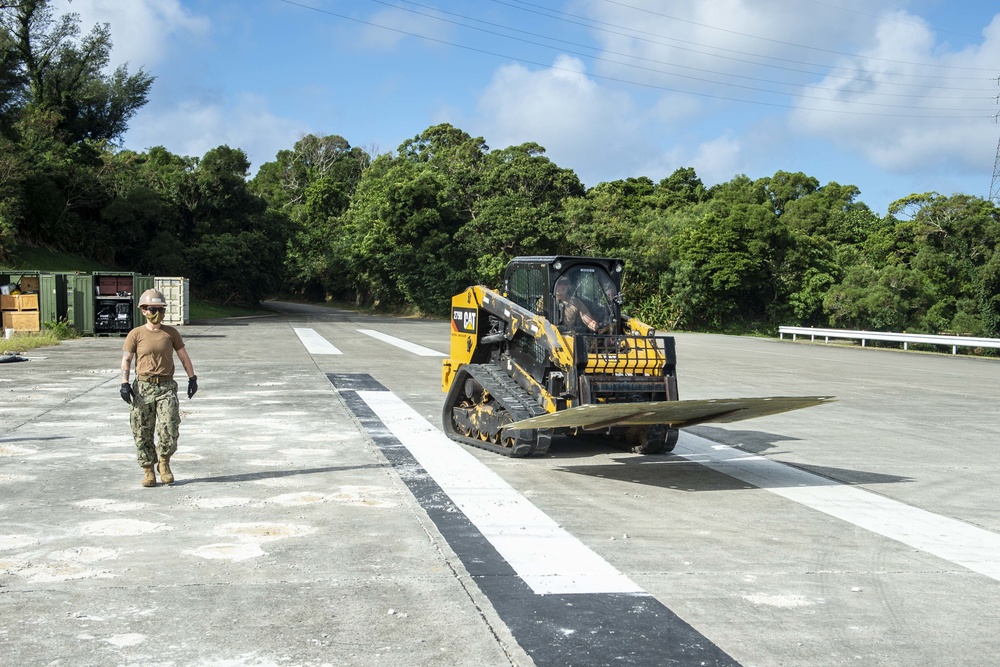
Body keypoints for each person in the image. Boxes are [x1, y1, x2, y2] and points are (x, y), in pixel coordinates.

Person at [119, 289, 198, 488]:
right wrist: (125, 383)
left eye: (161, 309)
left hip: (166, 387)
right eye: (153, 309)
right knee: (142, 430)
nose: (157, 313)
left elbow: (183, 356)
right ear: (143, 310)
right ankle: (148, 470)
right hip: (143, 387)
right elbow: (127, 359)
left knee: (169, 426)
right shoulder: (135, 334)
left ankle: (164, 463)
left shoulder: (170, 333)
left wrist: (192, 378)